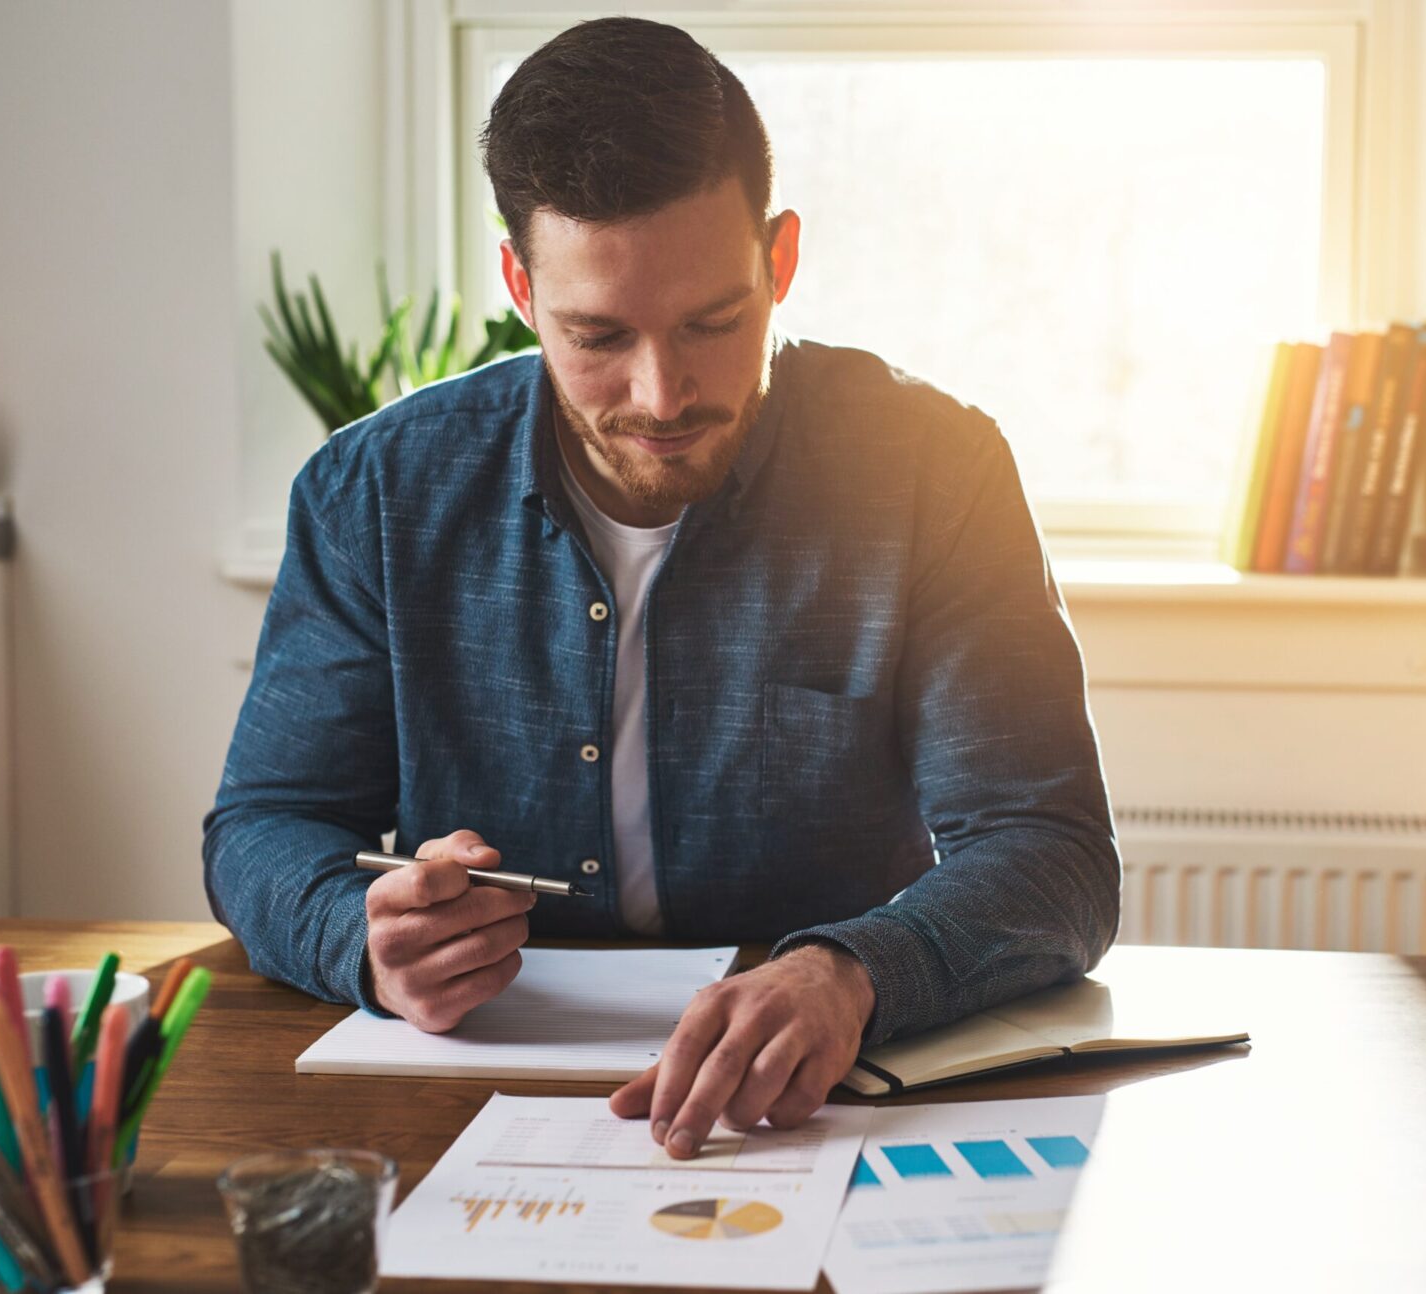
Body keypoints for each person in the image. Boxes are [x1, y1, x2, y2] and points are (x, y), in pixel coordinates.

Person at [203, 15, 1119, 1159]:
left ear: (779, 261)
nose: (661, 390)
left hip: (824, 1105)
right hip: (474, 1111)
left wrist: (851, 973)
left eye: (713, 322)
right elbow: (265, 825)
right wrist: (360, 936)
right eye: (596, 334)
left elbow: (1052, 849)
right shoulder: (376, 492)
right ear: (520, 286)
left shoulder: (936, 471)